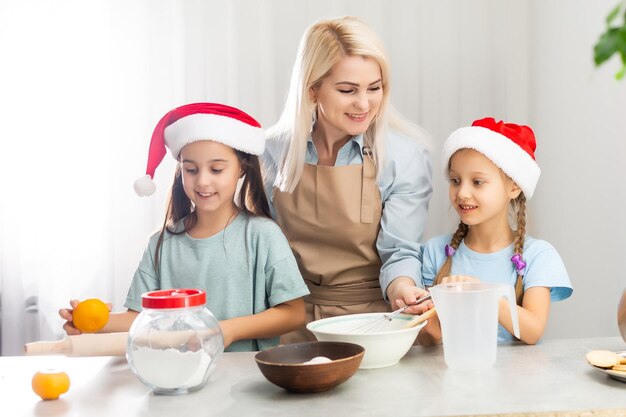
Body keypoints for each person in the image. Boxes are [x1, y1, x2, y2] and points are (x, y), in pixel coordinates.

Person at [59, 103, 309, 352]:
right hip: (177, 375)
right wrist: (92, 323)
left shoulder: (263, 236)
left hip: (245, 376)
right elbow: (141, 318)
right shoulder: (161, 243)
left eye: (216, 169)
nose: (202, 181)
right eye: (191, 169)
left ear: (242, 168)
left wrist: (228, 330)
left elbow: (294, 313)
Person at [262, 16, 433, 343]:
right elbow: (260, 250)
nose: (364, 104)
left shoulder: (406, 158)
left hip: (373, 326)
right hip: (289, 323)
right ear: (312, 89)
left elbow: (399, 253)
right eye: (347, 90)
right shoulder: (269, 153)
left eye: (374, 88)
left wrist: (404, 289)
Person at [396, 117, 573, 345]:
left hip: (515, 379)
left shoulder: (538, 255)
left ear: (514, 186)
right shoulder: (435, 251)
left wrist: (482, 292)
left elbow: (533, 331)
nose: (462, 193)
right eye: (455, 180)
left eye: (477, 182)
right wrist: (432, 307)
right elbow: (432, 339)